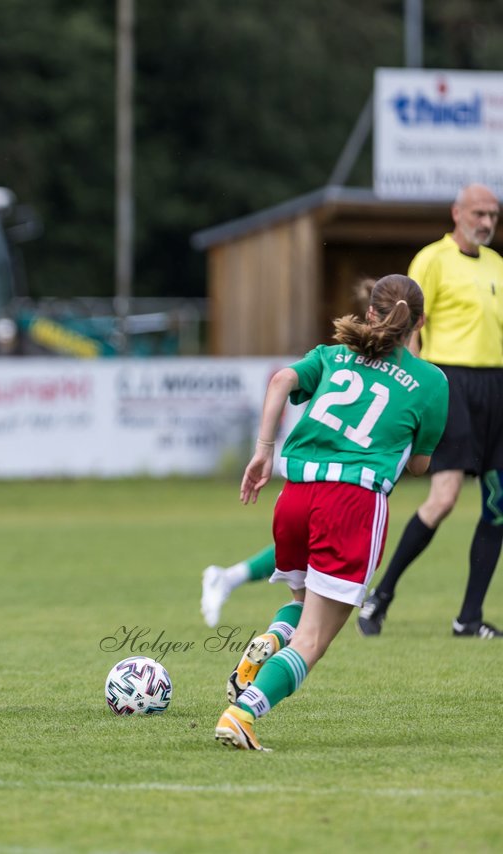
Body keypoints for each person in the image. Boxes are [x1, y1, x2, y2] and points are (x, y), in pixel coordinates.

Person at [215, 274, 447, 750]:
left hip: (296, 495)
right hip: (351, 503)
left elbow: (281, 379)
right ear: (420, 322)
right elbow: (422, 465)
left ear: (370, 314)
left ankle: (266, 646)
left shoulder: (333, 354)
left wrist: (263, 449)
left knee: (302, 609)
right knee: (316, 638)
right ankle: (244, 711)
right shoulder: (431, 381)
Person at [358, 184, 503, 639]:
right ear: (456, 213)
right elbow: (412, 328)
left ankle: (469, 618)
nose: (487, 222)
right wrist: (414, 384)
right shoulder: (432, 260)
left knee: (499, 507)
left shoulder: (498, 264)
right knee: (442, 499)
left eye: (493, 214)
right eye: (478, 213)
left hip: (496, 387)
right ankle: (381, 596)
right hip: (451, 384)